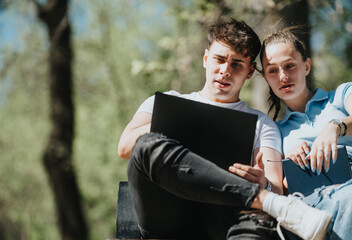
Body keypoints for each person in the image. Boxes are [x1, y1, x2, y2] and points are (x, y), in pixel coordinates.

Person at [118, 18, 332, 240]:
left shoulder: (262, 123)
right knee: (145, 145)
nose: (225, 71)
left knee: (262, 221)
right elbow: (125, 147)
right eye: (219, 60)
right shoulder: (164, 102)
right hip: (165, 218)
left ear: (249, 72)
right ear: (205, 58)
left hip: (221, 222)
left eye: (236, 64)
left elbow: (276, 186)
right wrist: (179, 124)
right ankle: (260, 199)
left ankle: (261, 200)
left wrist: (264, 182)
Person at [260, 27, 352, 240]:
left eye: (290, 66)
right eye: (272, 70)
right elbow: (281, 192)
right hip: (315, 203)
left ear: (307, 66)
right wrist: (292, 164)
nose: (283, 76)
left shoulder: (341, 96)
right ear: (266, 78)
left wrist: (336, 127)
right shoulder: (275, 131)